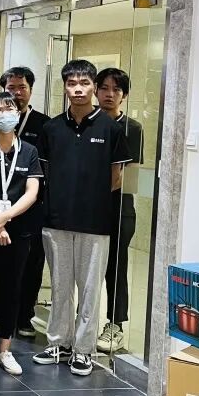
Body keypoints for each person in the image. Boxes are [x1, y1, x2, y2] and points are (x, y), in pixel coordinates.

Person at [33, 60, 131, 377]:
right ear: (64, 86)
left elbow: (116, 177)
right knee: (60, 286)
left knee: (90, 289)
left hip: (95, 222)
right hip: (56, 220)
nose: (78, 89)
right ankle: (58, 343)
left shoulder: (111, 128)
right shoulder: (51, 128)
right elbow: (46, 172)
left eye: (84, 83)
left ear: (93, 87)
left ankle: (84, 350)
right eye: (72, 83)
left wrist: (90, 198)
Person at [0, 92, 42, 376]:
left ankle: (5, 348)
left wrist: (5, 217)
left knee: (11, 289)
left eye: (10, 107)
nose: (5, 113)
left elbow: (32, 192)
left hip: (18, 231)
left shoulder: (29, 150)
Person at [94, 68, 145, 354]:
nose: (109, 94)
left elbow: (130, 176)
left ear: (124, 95)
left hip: (119, 208)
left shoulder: (132, 128)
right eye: (104, 88)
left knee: (116, 267)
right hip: (86, 209)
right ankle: (82, 321)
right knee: (87, 267)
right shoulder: (88, 123)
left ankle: (115, 325)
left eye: (116, 89)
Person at [1, 66, 50, 338]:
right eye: (11, 88)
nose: (17, 93)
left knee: (32, 264)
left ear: (31, 90)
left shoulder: (45, 124)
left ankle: (25, 316)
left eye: (22, 88)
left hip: (32, 207)